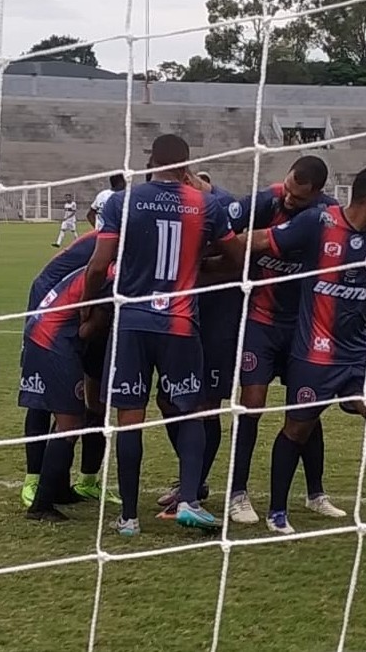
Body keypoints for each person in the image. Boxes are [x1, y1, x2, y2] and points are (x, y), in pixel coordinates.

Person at [241, 166, 366, 535]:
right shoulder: (318, 222)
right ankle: (277, 511)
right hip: (315, 351)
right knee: (297, 428)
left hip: (358, 352)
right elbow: (261, 242)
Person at [82, 134, 244, 536]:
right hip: (180, 323)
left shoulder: (124, 201)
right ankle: (188, 499)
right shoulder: (205, 205)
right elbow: (238, 256)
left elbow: (99, 265)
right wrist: (200, 267)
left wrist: (87, 308)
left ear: (152, 162)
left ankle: (129, 518)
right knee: (188, 412)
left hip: (132, 324)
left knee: (129, 420)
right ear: (186, 166)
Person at [226, 156, 347, 525]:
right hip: (260, 323)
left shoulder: (328, 215)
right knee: (252, 404)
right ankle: (237, 492)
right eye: (288, 190)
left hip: (302, 327)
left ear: (318, 194)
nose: (289, 199)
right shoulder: (265, 202)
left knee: (306, 406)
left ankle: (315, 493)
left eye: (298, 198)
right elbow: (222, 230)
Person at [156, 170, 240, 519]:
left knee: (205, 405)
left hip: (218, 322)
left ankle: (193, 488)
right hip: (185, 320)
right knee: (167, 398)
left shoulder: (222, 207)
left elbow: (239, 262)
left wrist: (194, 271)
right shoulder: (184, 209)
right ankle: (192, 480)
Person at [21, 231, 118, 507]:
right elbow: (88, 326)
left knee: (88, 404)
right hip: (53, 329)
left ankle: (69, 485)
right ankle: (38, 488)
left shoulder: (111, 264)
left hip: (63, 323)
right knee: (54, 409)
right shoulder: (109, 263)